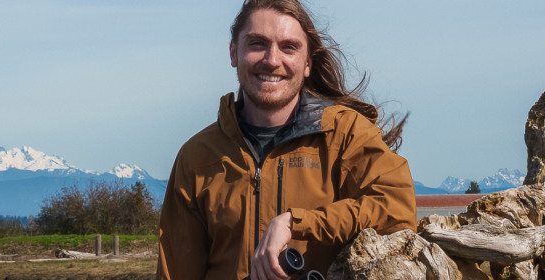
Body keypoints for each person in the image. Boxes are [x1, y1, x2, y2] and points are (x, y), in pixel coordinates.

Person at [157, 0, 416, 279]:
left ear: (307, 63)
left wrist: (297, 223)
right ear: (234, 52)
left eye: (288, 47)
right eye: (257, 44)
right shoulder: (197, 157)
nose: (272, 59)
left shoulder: (346, 134)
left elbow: (397, 210)